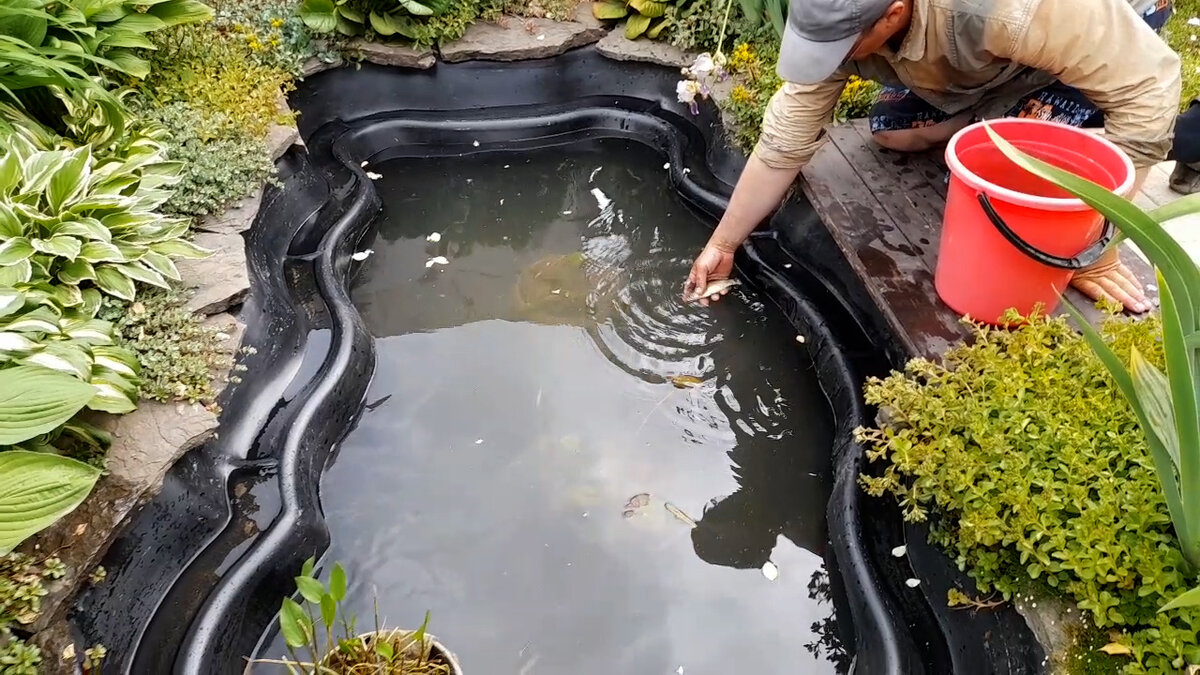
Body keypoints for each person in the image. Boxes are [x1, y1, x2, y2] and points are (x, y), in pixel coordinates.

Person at [684, 0, 1194, 313]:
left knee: (1023, 182)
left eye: (844, 45)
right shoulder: (857, 22)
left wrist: (1094, 245)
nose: (833, 60)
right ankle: (992, 115)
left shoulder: (1003, 9)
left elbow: (1146, 87)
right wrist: (724, 242)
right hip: (1000, 59)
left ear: (894, 13)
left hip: (1111, 31)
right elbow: (785, 137)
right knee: (892, 129)